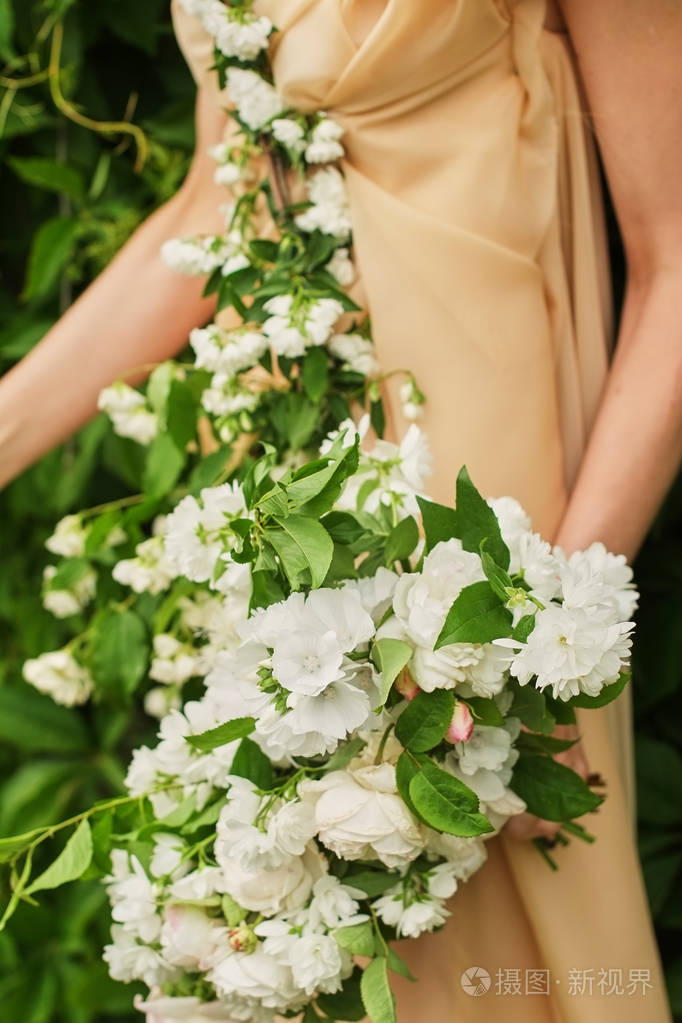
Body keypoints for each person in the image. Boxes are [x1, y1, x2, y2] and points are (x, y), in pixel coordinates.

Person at [0, 1, 679, 1020]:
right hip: (286, 480)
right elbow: (213, 207)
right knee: (294, 931)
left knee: (503, 945)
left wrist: (552, 632)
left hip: (489, 524)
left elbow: (676, 252)